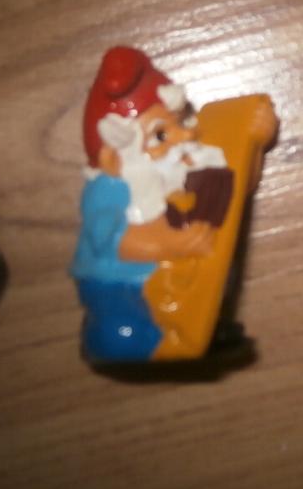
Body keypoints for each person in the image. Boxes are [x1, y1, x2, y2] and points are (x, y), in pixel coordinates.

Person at [70, 46, 231, 361]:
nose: (183, 137)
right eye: (160, 136)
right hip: (118, 282)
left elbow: (236, 182)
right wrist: (172, 244)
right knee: (122, 335)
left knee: (218, 275)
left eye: (179, 123)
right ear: (115, 158)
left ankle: (205, 328)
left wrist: (255, 136)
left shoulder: (178, 167)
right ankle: (158, 342)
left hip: (169, 272)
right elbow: (116, 244)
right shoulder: (108, 188)